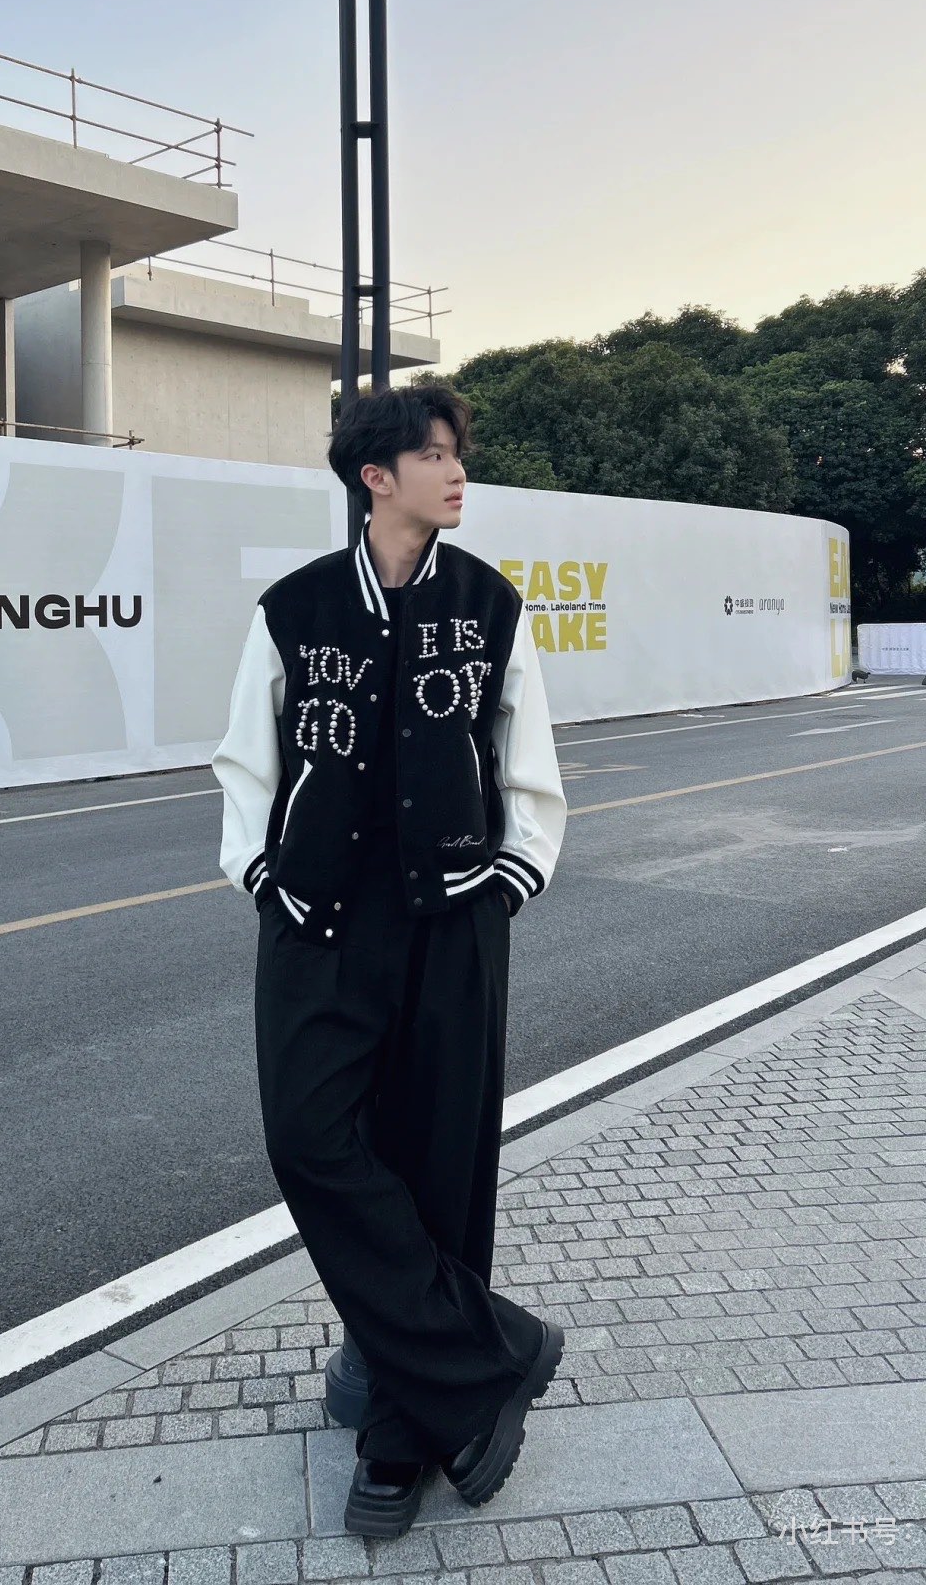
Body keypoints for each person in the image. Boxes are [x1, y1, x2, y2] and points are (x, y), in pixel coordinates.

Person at [211, 383, 568, 1539]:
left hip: (454, 920)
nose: (458, 473)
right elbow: (246, 758)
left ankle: (403, 1435)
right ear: (377, 477)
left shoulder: (488, 604)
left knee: (440, 1166)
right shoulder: (297, 607)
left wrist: (511, 876)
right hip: (317, 920)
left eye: (458, 454)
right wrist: (259, 873)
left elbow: (526, 755)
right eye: (436, 455)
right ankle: (495, 1351)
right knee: (309, 1140)